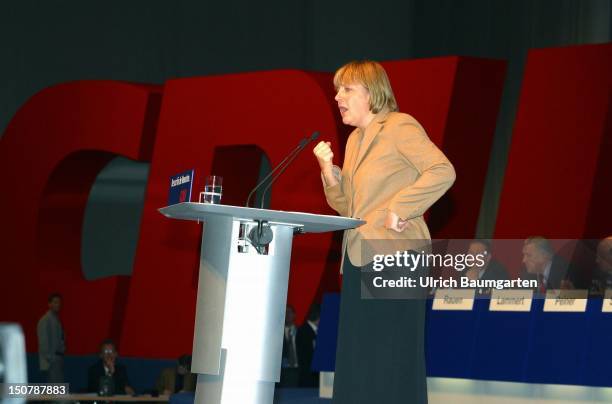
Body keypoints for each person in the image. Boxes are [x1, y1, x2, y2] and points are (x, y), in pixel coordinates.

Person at [313, 60, 455, 404]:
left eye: (346, 89)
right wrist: (328, 171)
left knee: (392, 357)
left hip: (397, 257)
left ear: (371, 93)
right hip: (361, 257)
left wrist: (400, 207)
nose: (337, 97)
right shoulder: (355, 141)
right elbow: (349, 206)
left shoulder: (399, 126)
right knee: (359, 358)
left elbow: (442, 170)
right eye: (337, 90)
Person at [37, 292, 65, 382]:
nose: (58, 305)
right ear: (49, 304)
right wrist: (51, 359)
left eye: (59, 302)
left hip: (58, 359)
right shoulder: (45, 320)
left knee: (58, 388)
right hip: (52, 361)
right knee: (54, 390)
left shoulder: (56, 319)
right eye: (55, 302)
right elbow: (43, 342)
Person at [296, 304, 320, 388]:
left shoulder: (317, 331)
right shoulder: (303, 331)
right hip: (308, 378)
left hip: (315, 377)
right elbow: (305, 357)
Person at [279, 305, 299, 387]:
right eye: (285, 312)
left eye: (290, 312)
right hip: (283, 371)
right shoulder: (277, 333)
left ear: (294, 315)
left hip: (299, 370)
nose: (287, 314)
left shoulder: (302, 331)